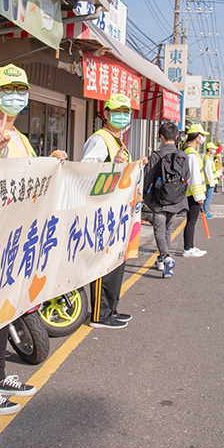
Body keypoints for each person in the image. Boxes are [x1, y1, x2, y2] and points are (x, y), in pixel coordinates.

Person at [0, 64, 66, 414]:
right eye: (8, 88)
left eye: (21, 88)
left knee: (2, 310)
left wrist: (51, 163)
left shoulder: (22, 138)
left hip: (14, 238)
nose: (16, 94)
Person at [82, 93, 146, 328]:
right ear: (106, 114)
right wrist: (112, 166)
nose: (121, 116)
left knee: (117, 263)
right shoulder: (100, 139)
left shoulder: (119, 142)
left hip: (119, 215)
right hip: (103, 214)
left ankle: (111, 309)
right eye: (116, 111)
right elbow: (87, 172)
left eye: (126, 112)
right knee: (104, 264)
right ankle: (100, 314)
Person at [144, 121, 188, 279]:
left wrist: (143, 195)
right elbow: (187, 176)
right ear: (176, 137)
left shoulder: (156, 155)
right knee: (168, 230)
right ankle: (162, 260)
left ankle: (166, 258)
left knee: (159, 230)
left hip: (159, 200)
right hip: (176, 200)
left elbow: (147, 178)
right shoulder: (183, 155)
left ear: (161, 137)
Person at [181, 122, 209, 257]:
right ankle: (187, 249)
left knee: (191, 221)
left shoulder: (190, 151)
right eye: (202, 135)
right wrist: (199, 197)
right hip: (193, 194)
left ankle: (190, 246)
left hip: (192, 193)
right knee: (191, 221)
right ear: (197, 137)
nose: (203, 138)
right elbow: (194, 178)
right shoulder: (191, 153)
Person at [202, 141, 219, 218]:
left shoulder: (209, 158)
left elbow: (213, 171)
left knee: (208, 196)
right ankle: (205, 211)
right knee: (209, 197)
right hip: (209, 182)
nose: (214, 150)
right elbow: (208, 172)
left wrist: (219, 175)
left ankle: (204, 210)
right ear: (209, 149)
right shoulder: (208, 159)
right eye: (212, 148)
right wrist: (211, 183)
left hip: (210, 181)